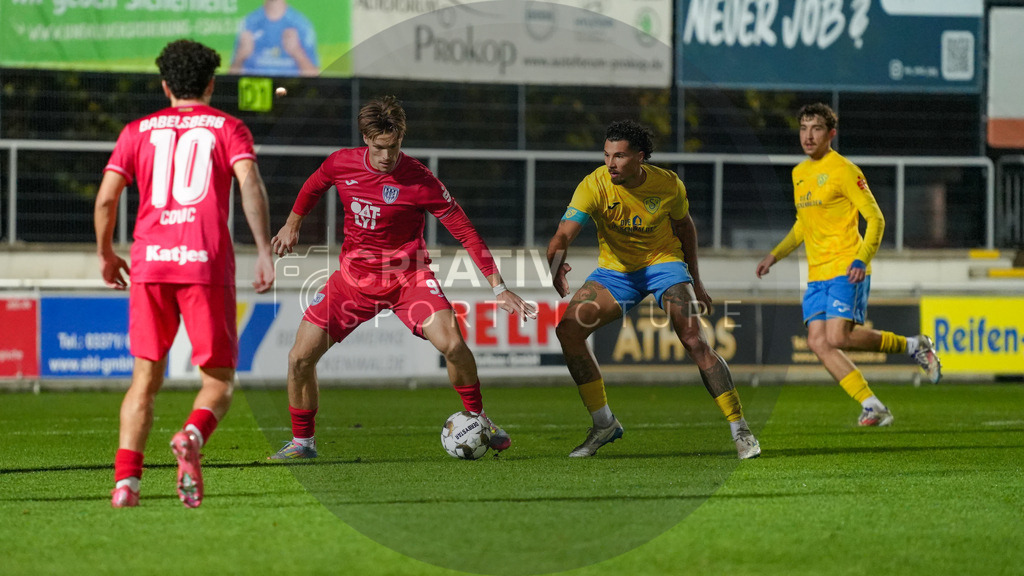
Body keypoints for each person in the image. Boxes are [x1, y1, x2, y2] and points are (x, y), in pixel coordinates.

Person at [268, 95, 537, 460]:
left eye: (394, 147)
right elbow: (315, 184)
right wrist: (292, 224)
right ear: (366, 139)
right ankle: (303, 443)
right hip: (352, 281)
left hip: (408, 279)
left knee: (453, 345)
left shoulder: (419, 179)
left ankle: (478, 419)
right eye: (379, 147)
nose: (386, 156)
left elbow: (465, 232)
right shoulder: (340, 163)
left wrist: (499, 287)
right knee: (299, 358)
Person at [95, 39, 275, 508]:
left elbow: (107, 199)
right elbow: (249, 183)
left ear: (164, 85)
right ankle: (192, 435)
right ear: (211, 84)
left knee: (144, 380)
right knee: (217, 381)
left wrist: (107, 255)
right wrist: (263, 250)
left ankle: (125, 486)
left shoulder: (137, 130)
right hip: (204, 262)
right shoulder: (229, 127)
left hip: (151, 263)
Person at [547, 120, 761, 460]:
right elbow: (563, 234)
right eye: (606, 155)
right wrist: (555, 264)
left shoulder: (668, 185)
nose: (610, 164)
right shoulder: (594, 185)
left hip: (663, 264)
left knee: (693, 339)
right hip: (615, 272)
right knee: (568, 331)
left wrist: (696, 279)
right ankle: (604, 424)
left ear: (640, 158)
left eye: (619, 156)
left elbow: (685, 228)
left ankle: (741, 429)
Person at [755, 103, 942, 427]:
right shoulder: (799, 173)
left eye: (816, 129)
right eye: (803, 128)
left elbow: (876, 219)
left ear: (831, 134)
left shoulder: (845, 170)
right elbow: (804, 224)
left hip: (846, 266)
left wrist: (861, 258)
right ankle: (873, 405)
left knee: (838, 337)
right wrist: (775, 254)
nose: (808, 136)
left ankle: (914, 345)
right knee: (817, 341)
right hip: (817, 273)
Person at [229, 0, 319, 77]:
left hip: (290, 93)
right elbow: (230, 81)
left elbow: (315, 78)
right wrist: (240, 57)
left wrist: (297, 52)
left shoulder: (301, 24)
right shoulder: (248, 23)